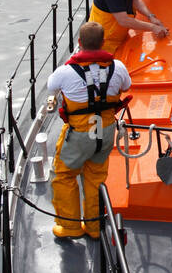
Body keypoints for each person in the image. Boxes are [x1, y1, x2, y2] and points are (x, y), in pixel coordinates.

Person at [47, 21, 132, 240]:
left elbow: (51, 87)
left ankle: (70, 226)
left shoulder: (64, 72)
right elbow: (126, 86)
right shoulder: (118, 67)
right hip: (104, 132)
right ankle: (94, 227)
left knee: (64, 176)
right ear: (103, 42)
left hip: (79, 133)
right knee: (95, 178)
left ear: (79, 43)